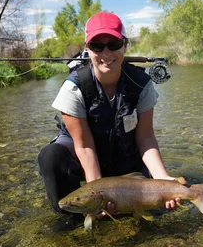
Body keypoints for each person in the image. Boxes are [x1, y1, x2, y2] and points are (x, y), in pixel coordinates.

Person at [37, 12, 183, 215]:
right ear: (87, 49)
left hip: (123, 153)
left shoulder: (141, 84)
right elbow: (85, 146)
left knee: (152, 203)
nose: (106, 53)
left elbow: (146, 138)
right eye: (97, 46)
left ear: (125, 45)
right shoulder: (73, 89)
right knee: (50, 156)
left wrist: (164, 178)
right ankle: (70, 220)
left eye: (113, 44)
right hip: (85, 154)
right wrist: (96, 196)